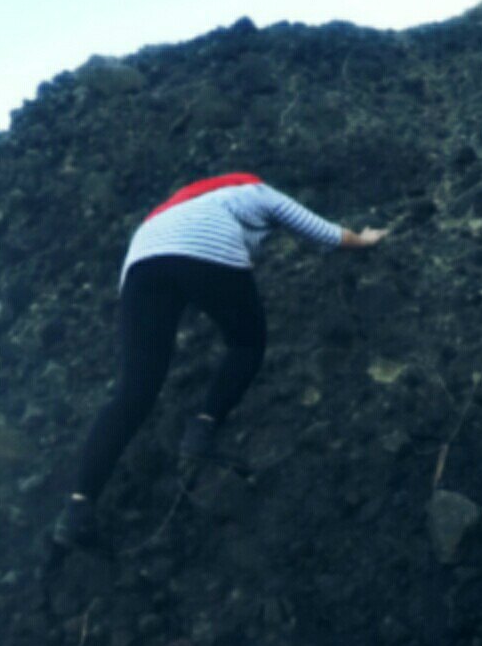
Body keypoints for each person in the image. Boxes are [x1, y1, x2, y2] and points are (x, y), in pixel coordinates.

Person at [52, 171, 390, 551]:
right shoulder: (255, 190)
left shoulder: (167, 211)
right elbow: (321, 231)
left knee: (135, 390)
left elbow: (169, 263)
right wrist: (362, 239)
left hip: (141, 261)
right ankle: (203, 429)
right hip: (206, 243)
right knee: (247, 343)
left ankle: (78, 507)